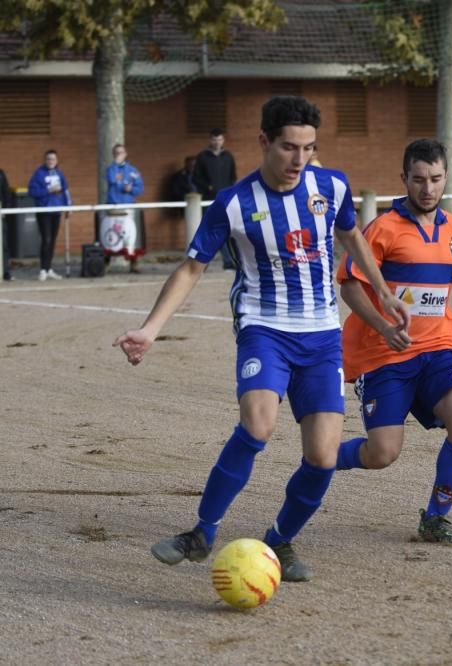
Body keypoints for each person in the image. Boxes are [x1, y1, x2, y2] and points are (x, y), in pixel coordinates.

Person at [113, 96, 409, 582]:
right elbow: (191, 268)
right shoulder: (233, 203)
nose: (299, 159)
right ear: (263, 142)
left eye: (309, 148)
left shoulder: (331, 186)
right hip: (264, 330)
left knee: (323, 455)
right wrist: (150, 329)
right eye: (289, 147)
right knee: (258, 426)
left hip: (320, 337)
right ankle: (202, 532)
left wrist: (382, 292)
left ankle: (279, 543)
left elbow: (351, 236)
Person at [333, 138, 452, 545]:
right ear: (404, 179)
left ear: (445, 177)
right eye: (418, 179)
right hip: (385, 355)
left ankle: (435, 518)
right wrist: (384, 328)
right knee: (382, 454)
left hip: (437, 349)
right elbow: (349, 287)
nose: (428, 189)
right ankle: (323, 456)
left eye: (436, 179)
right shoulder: (381, 229)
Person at [192, 128, 238, 269]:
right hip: (208, 200)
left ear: (223, 140)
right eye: (214, 139)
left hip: (225, 200)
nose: (217, 142)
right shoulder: (202, 157)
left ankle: (228, 261)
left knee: (226, 231)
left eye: (219, 139)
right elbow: (195, 178)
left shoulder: (228, 156)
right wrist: (207, 187)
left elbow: (233, 176)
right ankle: (202, 262)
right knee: (209, 231)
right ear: (209, 140)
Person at [27, 149, 71, 281]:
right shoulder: (38, 174)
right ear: (45, 160)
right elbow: (32, 191)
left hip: (56, 211)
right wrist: (48, 190)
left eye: (53, 159)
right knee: (46, 239)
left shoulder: (60, 174)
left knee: (52, 240)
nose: (51, 161)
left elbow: (66, 191)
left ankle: (49, 268)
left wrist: (68, 207)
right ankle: (42, 269)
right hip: (44, 210)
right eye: (48, 159)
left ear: (57, 161)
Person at [104, 143, 145, 273]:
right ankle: (106, 262)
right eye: (116, 153)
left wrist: (131, 188)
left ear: (126, 154)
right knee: (110, 234)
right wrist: (116, 165)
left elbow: (140, 188)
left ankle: (134, 262)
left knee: (130, 234)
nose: (118, 155)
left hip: (128, 207)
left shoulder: (132, 171)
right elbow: (111, 180)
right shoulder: (111, 169)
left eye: (121, 153)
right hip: (113, 207)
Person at [1, 167, 15, 281]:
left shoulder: (1, 173)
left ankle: (5, 271)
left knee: (3, 245)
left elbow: (6, 192)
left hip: (1, 214)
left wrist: (5, 210)